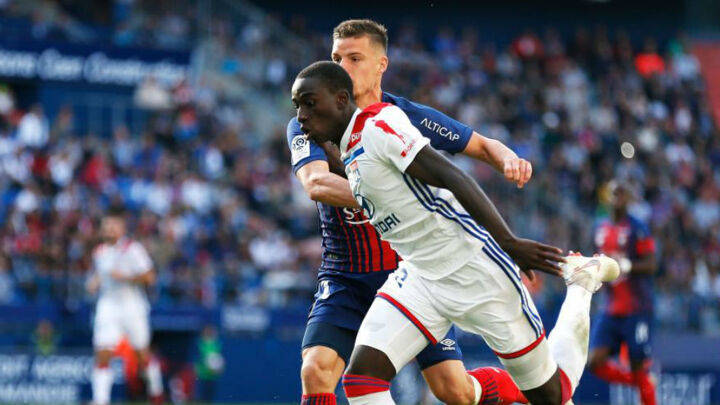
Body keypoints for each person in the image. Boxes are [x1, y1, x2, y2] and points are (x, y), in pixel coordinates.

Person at [291, 61, 620, 405]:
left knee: (553, 395)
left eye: (310, 104)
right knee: (362, 380)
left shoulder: (379, 125)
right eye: (297, 106)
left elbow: (453, 176)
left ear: (342, 99)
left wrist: (509, 243)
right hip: (419, 277)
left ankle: (581, 284)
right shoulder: (349, 148)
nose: (301, 116)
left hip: (472, 269)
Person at [288, 19, 534, 405]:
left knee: (453, 391)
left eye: (354, 58)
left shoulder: (403, 117)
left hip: (411, 275)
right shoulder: (310, 119)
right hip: (345, 276)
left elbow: (484, 145)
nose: (343, 67)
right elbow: (316, 183)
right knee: (315, 371)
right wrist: (385, 194)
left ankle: (510, 388)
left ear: (381, 64)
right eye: (336, 58)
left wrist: (509, 160)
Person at [588, 181, 657, 405]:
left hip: (637, 308)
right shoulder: (599, 228)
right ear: (607, 197)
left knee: (638, 364)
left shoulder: (638, 228)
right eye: (614, 194)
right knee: (594, 361)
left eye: (622, 194)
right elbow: (595, 258)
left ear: (628, 198)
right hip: (610, 307)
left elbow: (651, 264)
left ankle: (644, 386)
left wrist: (626, 265)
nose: (617, 198)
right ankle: (641, 383)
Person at [86, 207, 164, 405]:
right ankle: (100, 400)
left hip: (132, 306)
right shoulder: (100, 252)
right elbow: (101, 274)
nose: (109, 229)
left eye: (113, 225)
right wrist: (94, 283)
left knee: (141, 355)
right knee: (103, 353)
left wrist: (126, 277)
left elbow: (150, 277)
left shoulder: (133, 249)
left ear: (122, 228)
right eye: (106, 226)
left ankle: (156, 394)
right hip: (108, 306)